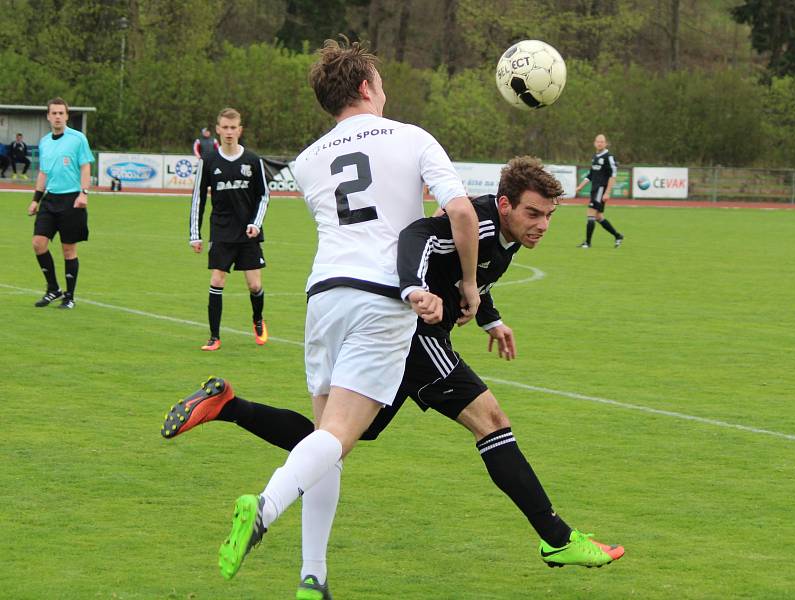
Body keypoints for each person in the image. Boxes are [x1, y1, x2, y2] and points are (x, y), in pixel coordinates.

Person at [162, 157, 624, 598]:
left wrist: (489, 320)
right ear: (505, 204)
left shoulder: (502, 236)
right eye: (533, 213)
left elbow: (474, 283)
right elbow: (418, 233)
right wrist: (413, 287)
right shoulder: (479, 222)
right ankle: (557, 537)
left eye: (548, 215)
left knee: (338, 438)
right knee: (492, 421)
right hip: (415, 334)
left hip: (399, 330)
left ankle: (227, 406)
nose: (542, 224)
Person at [184, 36, 480, 592]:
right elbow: (460, 211)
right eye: (382, 83)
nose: (386, 92)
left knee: (325, 439)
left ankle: (312, 578)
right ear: (366, 86)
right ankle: (265, 507)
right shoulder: (411, 137)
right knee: (339, 437)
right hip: (382, 299)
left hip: (323, 297)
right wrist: (467, 283)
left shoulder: (308, 160)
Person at [189, 107, 270, 351]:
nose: (229, 132)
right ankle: (214, 337)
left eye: (233, 127)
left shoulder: (253, 160)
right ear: (217, 130)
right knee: (217, 280)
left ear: (240, 130)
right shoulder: (209, 162)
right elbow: (198, 198)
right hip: (222, 231)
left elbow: (264, 196)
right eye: (224, 127)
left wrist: (255, 224)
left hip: (248, 233)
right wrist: (195, 234)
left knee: (254, 285)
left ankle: (257, 320)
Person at [27, 98, 94, 310]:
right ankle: (53, 289)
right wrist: (35, 200)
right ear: (48, 116)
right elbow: (43, 173)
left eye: (61, 113)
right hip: (50, 200)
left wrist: (84, 194)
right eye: (53, 113)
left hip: (72, 199)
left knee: (68, 250)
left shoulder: (78, 139)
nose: (57, 116)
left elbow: (85, 168)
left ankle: (69, 296)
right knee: (38, 243)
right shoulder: (45, 142)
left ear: (66, 116)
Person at [574, 134, 624, 248]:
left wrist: (607, 192)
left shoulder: (608, 157)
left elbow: (613, 176)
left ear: (606, 143)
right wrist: (580, 186)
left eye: (602, 141)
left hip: (601, 190)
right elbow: (591, 175)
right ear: (594, 143)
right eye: (598, 141)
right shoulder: (595, 157)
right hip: (595, 189)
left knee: (590, 214)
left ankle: (587, 243)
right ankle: (618, 236)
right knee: (598, 217)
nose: (599, 143)